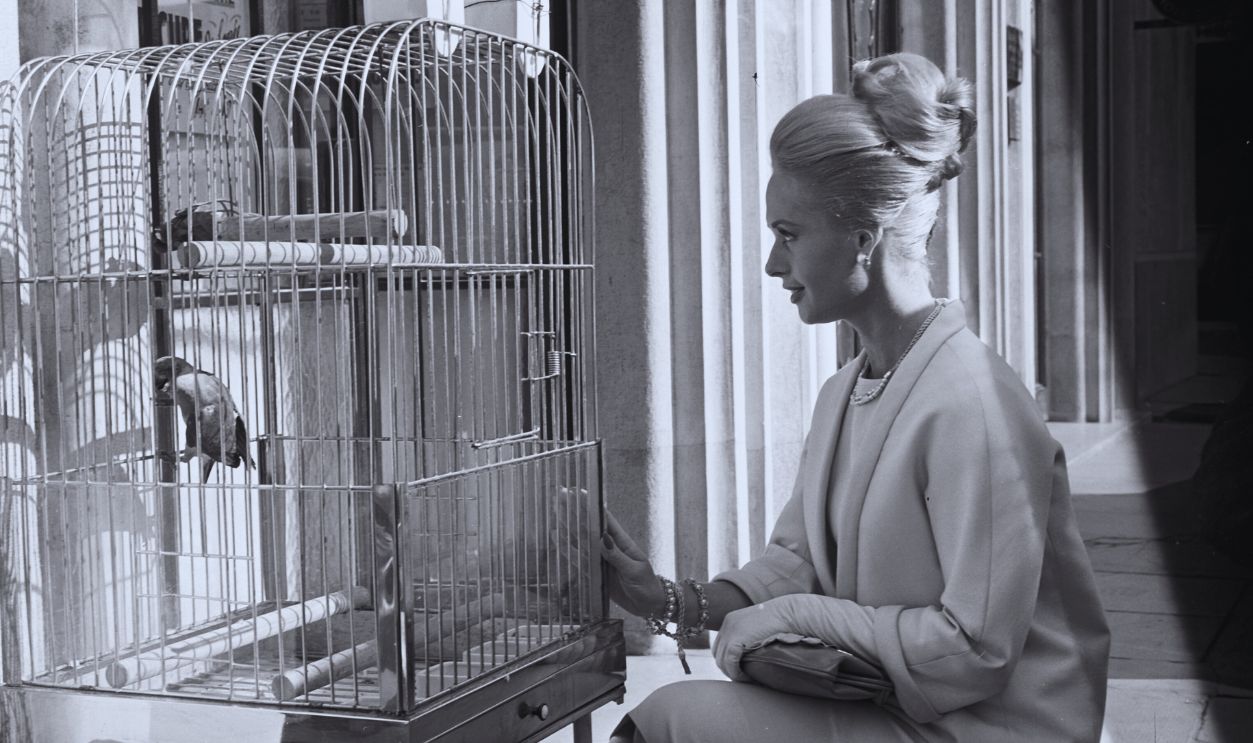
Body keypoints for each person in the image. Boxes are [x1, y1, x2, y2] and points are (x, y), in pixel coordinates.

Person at [602, 52, 1111, 743]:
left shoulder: (975, 406)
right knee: (666, 717)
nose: (772, 264)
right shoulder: (845, 389)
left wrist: (796, 619)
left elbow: (975, 650)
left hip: (990, 729)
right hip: (896, 708)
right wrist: (657, 595)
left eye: (788, 235)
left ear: (863, 239)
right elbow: (795, 567)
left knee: (668, 720)